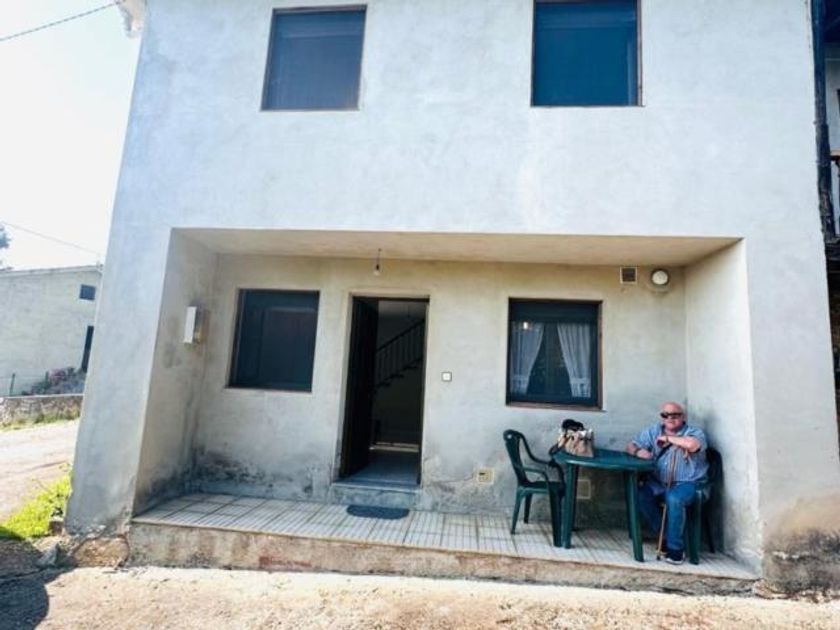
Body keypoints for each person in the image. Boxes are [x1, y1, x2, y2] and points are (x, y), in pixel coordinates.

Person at [626, 402, 708, 565]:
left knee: (674, 498)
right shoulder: (653, 431)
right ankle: (664, 535)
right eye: (665, 415)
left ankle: (675, 550)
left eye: (675, 415)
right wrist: (638, 451)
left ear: (683, 417)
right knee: (638, 494)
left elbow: (692, 445)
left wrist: (669, 439)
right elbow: (631, 445)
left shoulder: (694, 432)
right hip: (659, 483)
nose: (670, 418)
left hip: (689, 483)